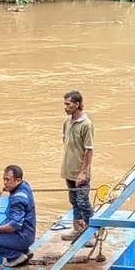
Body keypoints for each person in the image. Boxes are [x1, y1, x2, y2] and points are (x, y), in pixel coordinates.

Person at [0, 165, 36, 267]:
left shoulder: (18, 199)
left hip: (22, 237)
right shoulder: (25, 186)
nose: (5, 183)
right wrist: (3, 188)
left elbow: (15, 225)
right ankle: (24, 251)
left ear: (18, 180)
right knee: (7, 221)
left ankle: (15, 256)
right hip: (28, 233)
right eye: (4, 179)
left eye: (8, 180)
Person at [59, 91, 95, 245]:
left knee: (83, 202)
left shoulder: (86, 124)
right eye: (65, 104)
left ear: (77, 104)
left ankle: (91, 233)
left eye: (68, 104)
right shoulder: (67, 122)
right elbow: (65, 141)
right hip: (68, 170)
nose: (65, 107)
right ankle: (77, 229)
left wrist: (83, 171)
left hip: (80, 173)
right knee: (74, 201)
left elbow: (89, 150)